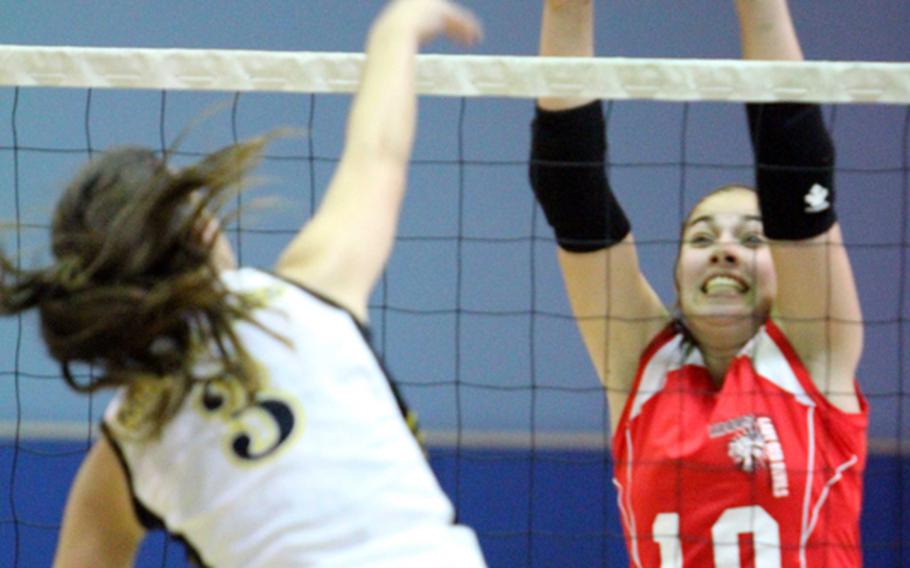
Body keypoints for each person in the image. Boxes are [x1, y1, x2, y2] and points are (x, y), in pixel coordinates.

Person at [0, 1, 487, 566]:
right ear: (203, 228)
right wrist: (395, 31)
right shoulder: (309, 295)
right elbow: (379, 155)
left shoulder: (123, 455)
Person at [529, 0, 866, 566]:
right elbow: (571, 193)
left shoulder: (816, 356)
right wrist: (566, 10)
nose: (725, 250)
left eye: (753, 239)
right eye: (702, 238)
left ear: (787, 270)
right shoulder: (641, 367)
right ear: (677, 275)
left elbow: (795, 165)